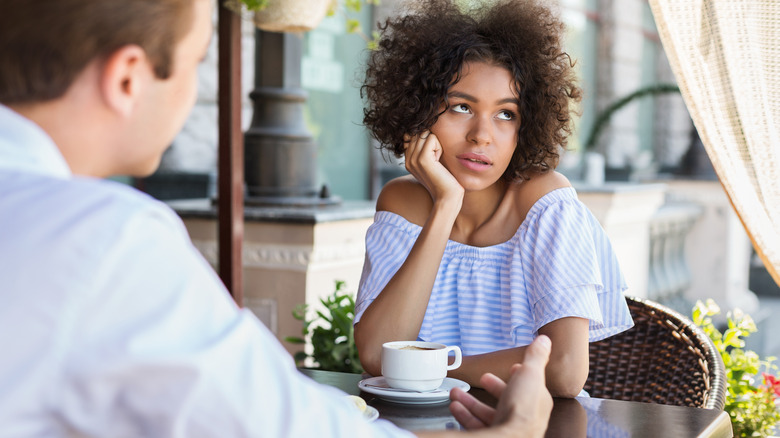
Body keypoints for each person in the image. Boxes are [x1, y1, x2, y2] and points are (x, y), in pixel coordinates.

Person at [0, 0, 553, 436]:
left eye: (506, 114)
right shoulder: (104, 239)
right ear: (128, 79)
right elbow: (280, 424)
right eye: (196, 62)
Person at [354, 0, 634, 398]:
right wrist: (445, 205)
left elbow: (565, 369)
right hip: (425, 424)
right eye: (461, 107)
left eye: (506, 114)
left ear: (526, 125)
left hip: (532, 422)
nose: (482, 135)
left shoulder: (546, 204)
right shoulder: (402, 203)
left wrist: (433, 369)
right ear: (419, 114)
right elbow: (375, 353)